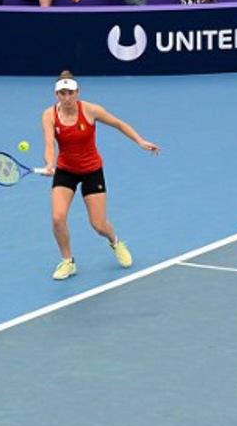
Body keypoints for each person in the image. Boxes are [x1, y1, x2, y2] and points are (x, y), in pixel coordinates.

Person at [39, 71, 160, 280]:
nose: (66, 97)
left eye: (70, 93)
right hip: (65, 170)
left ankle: (115, 241)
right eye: (62, 93)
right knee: (57, 218)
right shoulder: (49, 115)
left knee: (98, 224)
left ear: (77, 92)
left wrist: (140, 141)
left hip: (91, 171)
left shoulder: (91, 110)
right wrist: (50, 164)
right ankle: (68, 261)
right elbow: (49, 144)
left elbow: (118, 123)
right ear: (56, 95)